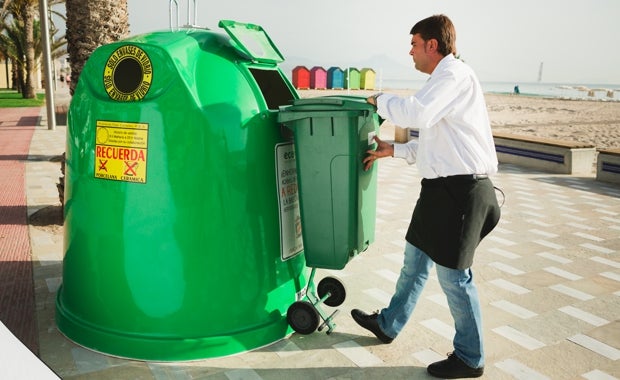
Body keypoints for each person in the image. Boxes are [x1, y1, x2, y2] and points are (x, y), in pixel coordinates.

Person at [351, 14, 501, 379]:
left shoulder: (454, 75)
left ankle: (470, 358)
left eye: (415, 44)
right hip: (440, 192)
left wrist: (378, 98)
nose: (410, 52)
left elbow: (417, 113)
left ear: (433, 45)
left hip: (463, 194)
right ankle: (389, 324)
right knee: (415, 262)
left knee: (455, 278)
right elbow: (436, 144)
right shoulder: (442, 80)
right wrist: (395, 151)